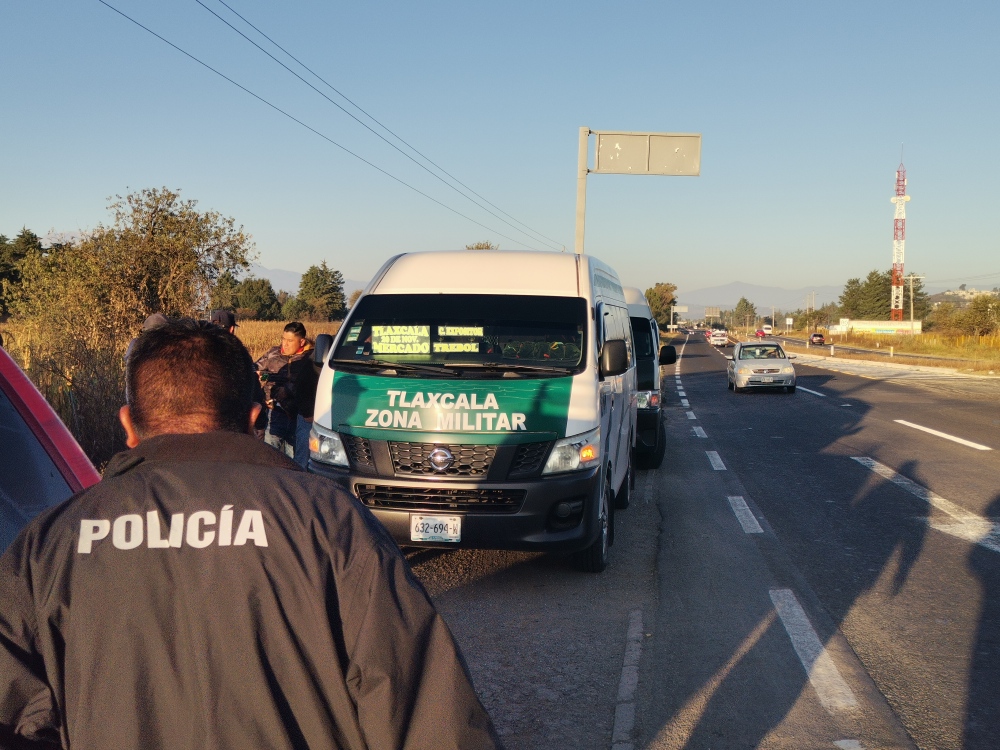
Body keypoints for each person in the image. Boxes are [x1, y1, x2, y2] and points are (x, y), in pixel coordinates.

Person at [0, 320, 500, 749]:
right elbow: (426, 711)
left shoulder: (46, 546)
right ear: (254, 420)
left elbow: (16, 715)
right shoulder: (330, 520)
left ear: (129, 426)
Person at [255, 322, 312, 459]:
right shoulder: (273, 353)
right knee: (270, 458)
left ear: (302, 341)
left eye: (290, 341)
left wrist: (287, 390)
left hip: (300, 417)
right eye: (283, 339)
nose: (284, 344)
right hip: (274, 414)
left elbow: (311, 386)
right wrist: (264, 377)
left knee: (295, 460)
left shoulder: (311, 358)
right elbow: (256, 369)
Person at [209, 309, 269, 434]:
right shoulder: (239, 354)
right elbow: (253, 389)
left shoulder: (200, 352)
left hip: (206, 423)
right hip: (233, 426)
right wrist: (260, 423)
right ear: (231, 329)